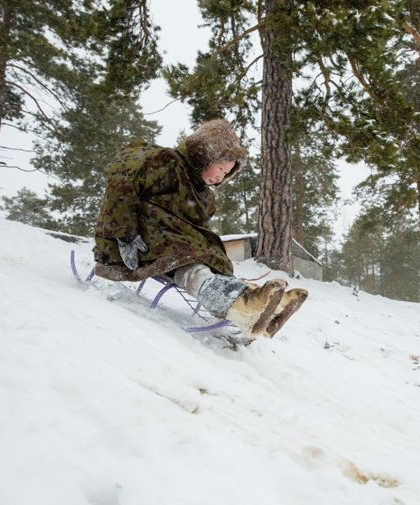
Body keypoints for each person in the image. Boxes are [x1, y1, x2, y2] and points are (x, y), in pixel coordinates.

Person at [93, 118, 307, 339]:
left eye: (226, 174)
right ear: (205, 156)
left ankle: (259, 301)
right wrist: (125, 235)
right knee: (191, 260)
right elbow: (121, 183)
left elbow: (196, 234)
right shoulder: (164, 162)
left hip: (167, 247)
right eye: (221, 168)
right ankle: (242, 306)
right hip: (135, 242)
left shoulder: (204, 197)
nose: (219, 177)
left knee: (204, 256)